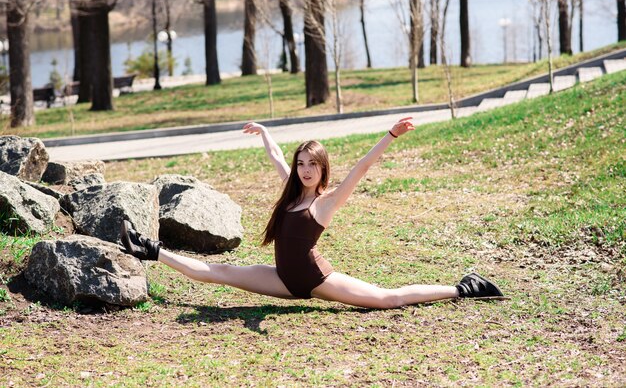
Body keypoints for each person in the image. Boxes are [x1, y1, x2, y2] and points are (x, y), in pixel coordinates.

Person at [120, 118, 504, 309]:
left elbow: (362, 168)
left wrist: (389, 136)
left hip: (319, 280)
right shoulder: (290, 194)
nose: (305, 169)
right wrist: (266, 132)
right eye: (301, 162)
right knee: (218, 274)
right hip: (284, 281)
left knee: (387, 299)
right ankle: (151, 250)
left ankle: (462, 288)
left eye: (312, 165)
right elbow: (274, 155)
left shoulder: (325, 202)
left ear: (322, 168)